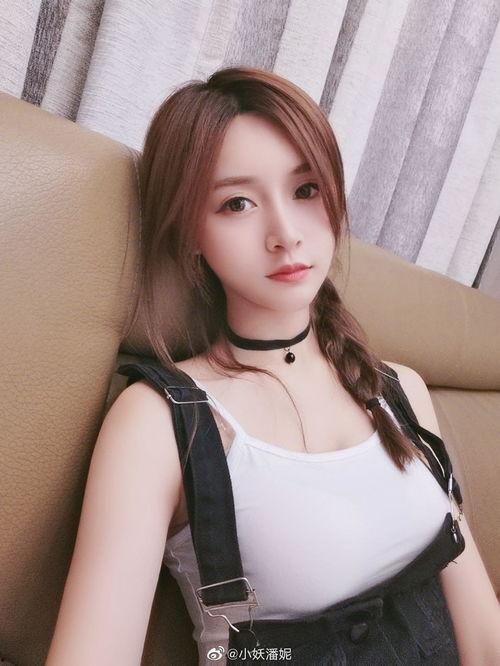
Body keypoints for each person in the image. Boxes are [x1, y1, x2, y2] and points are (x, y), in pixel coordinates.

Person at [46, 66, 500, 666]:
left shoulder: (400, 390)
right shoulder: (163, 422)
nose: (286, 234)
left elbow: (484, 635)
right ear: (189, 232)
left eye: (306, 190)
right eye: (237, 203)